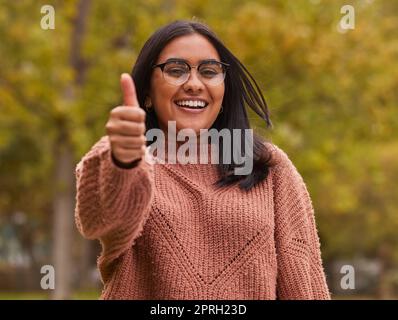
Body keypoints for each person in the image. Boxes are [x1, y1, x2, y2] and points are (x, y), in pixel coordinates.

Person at [75, 20, 331, 300]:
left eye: (209, 71)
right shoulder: (130, 164)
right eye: (176, 70)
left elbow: (304, 285)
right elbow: (98, 219)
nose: (194, 84)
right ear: (147, 93)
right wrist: (122, 159)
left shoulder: (268, 167)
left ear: (224, 90)